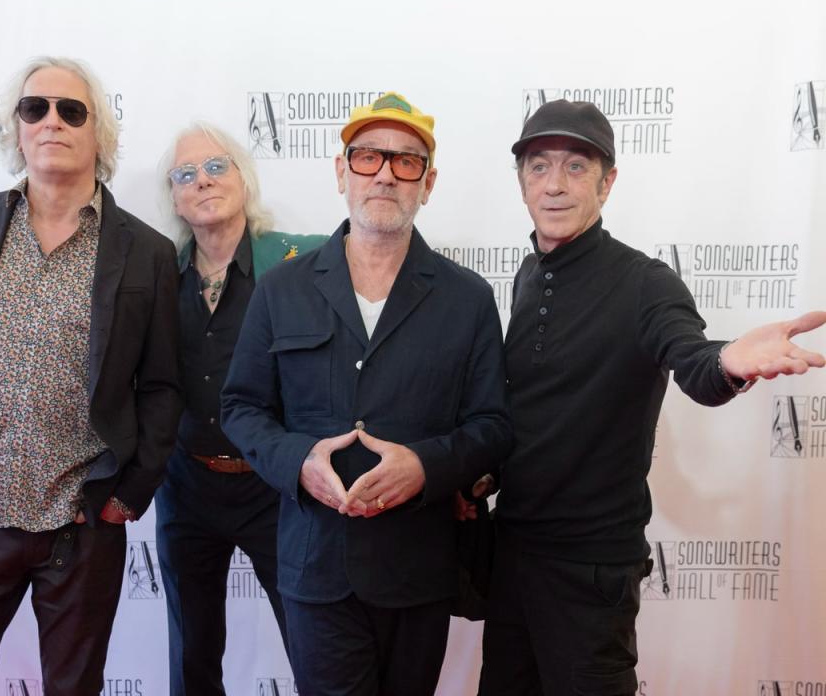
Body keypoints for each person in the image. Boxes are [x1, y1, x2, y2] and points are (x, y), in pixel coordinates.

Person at [479, 99, 826, 696]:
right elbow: (534, 408)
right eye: (538, 167)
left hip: (591, 571)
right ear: (521, 182)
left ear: (608, 182)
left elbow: (690, 358)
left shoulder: (644, 282)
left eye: (576, 167)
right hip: (512, 551)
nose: (555, 184)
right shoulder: (527, 274)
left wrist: (726, 361)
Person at [0, 56, 182, 696]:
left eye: (71, 110)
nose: (51, 121)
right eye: (35, 108)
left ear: (98, 135)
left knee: (75, 687)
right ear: (17, 128)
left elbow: (164, 387)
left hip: (81, 529)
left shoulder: (146, 252)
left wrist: (129, 492)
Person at [220, 92, 511, 696]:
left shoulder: (468, 298)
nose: (384, 173)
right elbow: (242, 409)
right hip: (315, 566)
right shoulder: (281, 290)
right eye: (368, 157)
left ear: (427, 184)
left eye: (406, 162)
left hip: (419, 570)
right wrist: (298, 462)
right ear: (340, 172)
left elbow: (492, 425)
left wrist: (424, 466)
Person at [154, 122, 325, 696]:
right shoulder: (156, 275)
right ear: (174, 198)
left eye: (215, 166)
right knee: (191, 654)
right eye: (185, 175)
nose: (202, 181)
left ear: (244, 180)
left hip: (273, 488)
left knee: (313, 645)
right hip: (186, 487)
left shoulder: (300, 264)